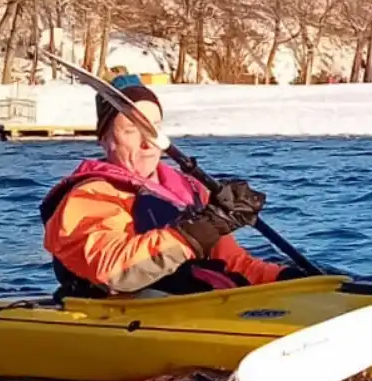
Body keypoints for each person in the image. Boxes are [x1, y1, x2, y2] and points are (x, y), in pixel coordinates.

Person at [39, 74, 298, 298]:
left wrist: (285, 279)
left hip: (201, 302)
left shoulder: (191, 189)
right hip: (127, 313)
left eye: (154, 128)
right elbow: (113, 269)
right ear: (105, 139)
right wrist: (193, 234)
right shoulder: (91, 195)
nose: (148, 143)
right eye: (131, 129)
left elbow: (234, 264)